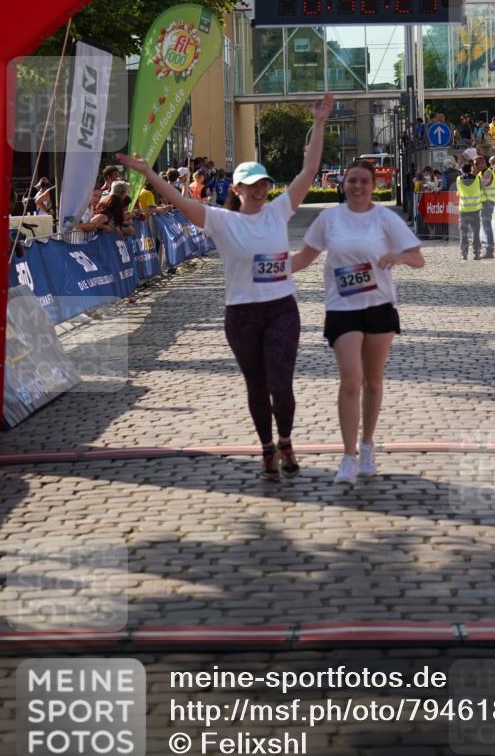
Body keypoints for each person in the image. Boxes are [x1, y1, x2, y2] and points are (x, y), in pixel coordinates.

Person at [117, 93, 335, 482]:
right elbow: (178, 200)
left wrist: (319, 123)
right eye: (250, 185)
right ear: (236, 189)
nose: (258, 190)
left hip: (281, 309)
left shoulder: (279, 211)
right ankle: (266, 448)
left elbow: (309, 170)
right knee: (257, 386)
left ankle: (286, 440)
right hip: (242, 315)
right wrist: (148, 172)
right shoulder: (220, 220)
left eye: (263, 183)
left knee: (281, 383)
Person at [291, 159, 424, 485]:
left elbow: (418, 258)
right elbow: (303, 258)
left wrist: (399, 256)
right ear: (343, 183)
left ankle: (367, 446)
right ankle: (348, 456)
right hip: (342, 307)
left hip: (379, 306)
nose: (358, 186)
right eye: (352, 180)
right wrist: (261, 267)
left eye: (364, 181)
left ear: (374, 186)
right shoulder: (329, 218)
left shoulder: (385, 218)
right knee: (351, 379)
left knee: (373, 382)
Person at [456, 161, 483, 261]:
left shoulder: (459, 179)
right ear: (471, 169)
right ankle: (477, 253)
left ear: (462, 170)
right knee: (476, 232)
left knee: (463, 232)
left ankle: (464, 254)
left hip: (464, 209)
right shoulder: (477, 178)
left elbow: (458, 193)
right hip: (475, 209)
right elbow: (481, 189)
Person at [474, 155, 495, 259]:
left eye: (476, 164)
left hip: (487, 202)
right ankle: (488, 250)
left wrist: (474, 175)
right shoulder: (479, 174)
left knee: (487, 227)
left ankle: (489, 251)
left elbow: (481, 184)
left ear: (483, 163)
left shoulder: (489, 172)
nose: (475, 166)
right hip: (482, 203)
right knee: (485, 227)